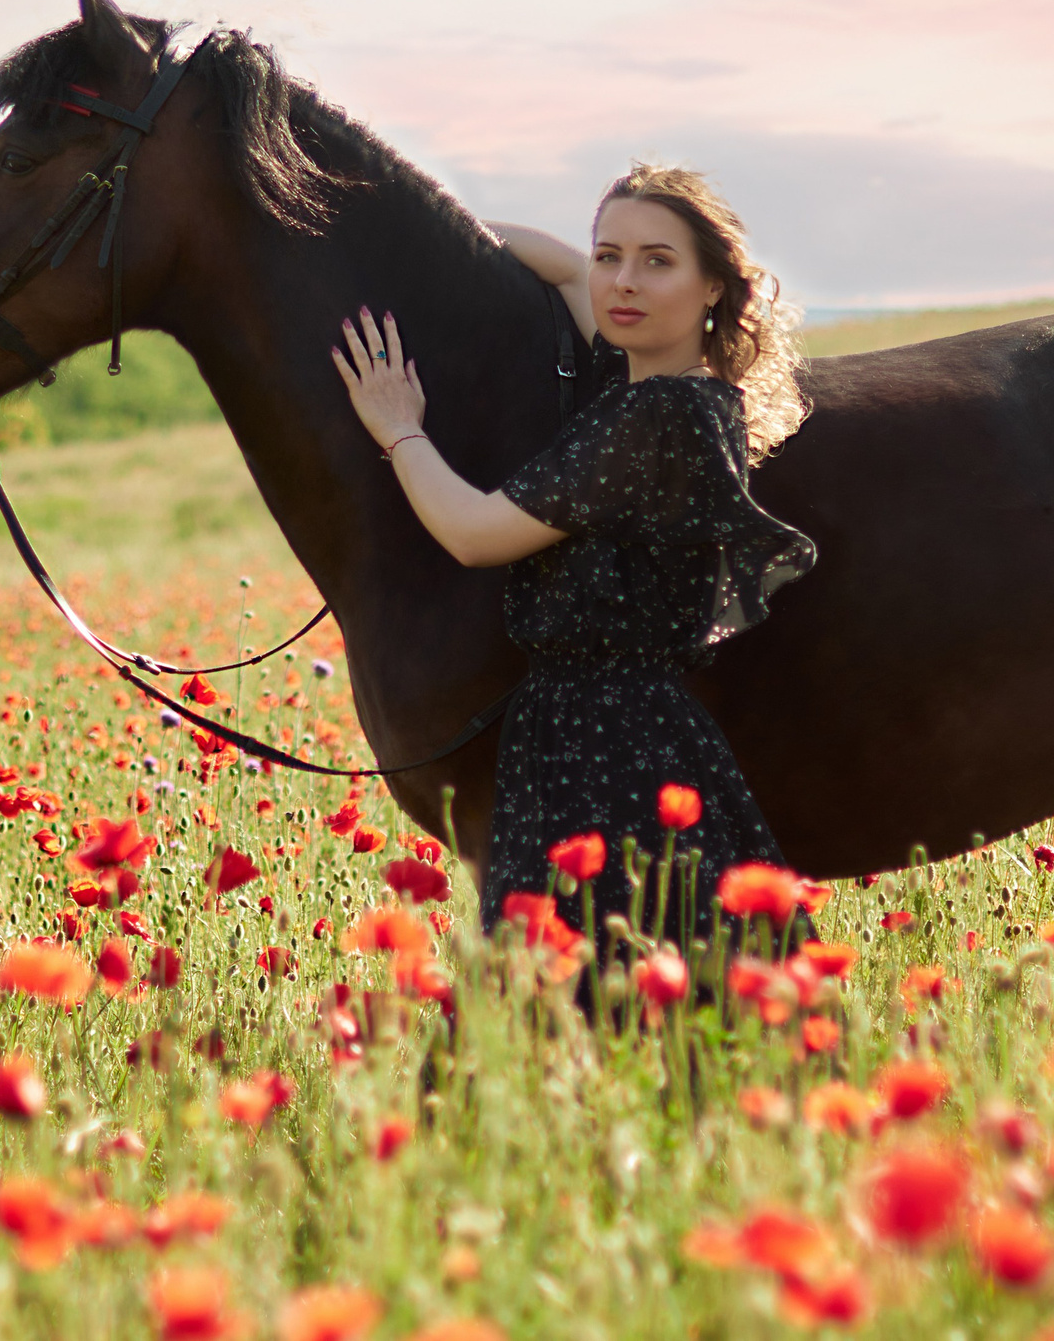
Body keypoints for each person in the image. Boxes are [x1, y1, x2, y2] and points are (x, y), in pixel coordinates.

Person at [330, 162, 816, 952]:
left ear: (714, 287)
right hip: (613, 732)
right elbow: (554, 264)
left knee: (590, 984)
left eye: (658, 261)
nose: (622, 281)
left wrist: (398, 427)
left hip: (601, 748)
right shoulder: (664, 386)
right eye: (609, 255)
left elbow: (475, 532)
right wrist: (439, 236)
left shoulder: (659, 414)